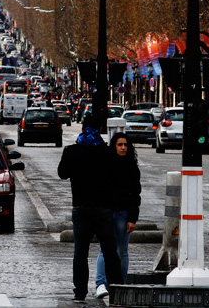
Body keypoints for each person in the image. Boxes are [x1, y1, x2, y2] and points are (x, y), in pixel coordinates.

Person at [57, 118, 121, 302]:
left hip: (80, 207)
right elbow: (116, 178)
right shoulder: (108, 152)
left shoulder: (71, 151)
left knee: (80, 252)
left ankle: (80, 292)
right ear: (100, 129)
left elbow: (62, 173)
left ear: (83, 129)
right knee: (110, 251)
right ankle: (116, 289)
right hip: (103, 208)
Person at [95, 132, 141, 299]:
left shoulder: (132, 167)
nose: (123, 148)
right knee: (105, 250)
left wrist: (132, 218)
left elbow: (135, 194)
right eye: (120, 145)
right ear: (113, 146)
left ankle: (120, 284)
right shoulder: (106, 165)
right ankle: (101, 283)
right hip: (107, 213)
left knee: (122, 251)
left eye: (125, 145)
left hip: (123, 214)